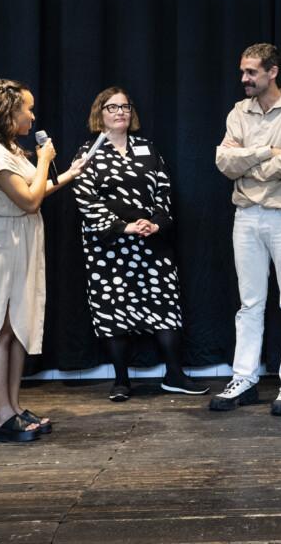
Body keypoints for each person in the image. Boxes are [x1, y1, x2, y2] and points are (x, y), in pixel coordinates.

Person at [72, 87, 208, 401]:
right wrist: (124, 227)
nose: (120, 112)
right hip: (109, 249)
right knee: (113, 311)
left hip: (151, 244)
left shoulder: (148, 148)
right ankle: (121, 380)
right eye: (112, 107)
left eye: (126, 107)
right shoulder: (87, 153)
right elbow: (85, 199)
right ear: (100, 113)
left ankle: (174, 374)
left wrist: (156, 222)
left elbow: (163, 190)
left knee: (165, 308)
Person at [0, 79, 84, 442]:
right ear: (7, 112)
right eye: (27, 109)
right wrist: (47, 159)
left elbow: (34, 191)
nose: (32, 116)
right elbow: (30, 201)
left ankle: (14, 407)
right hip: (1, 243)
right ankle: (2, 415)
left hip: (23, 238)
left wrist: (66, 174)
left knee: (18, 326)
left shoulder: (13, 150)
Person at [212, 43, 281, 414]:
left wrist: (248, 165)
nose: (244, 79)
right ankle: (244, 378)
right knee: (250, 302)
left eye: (251, 72)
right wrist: (264, 153)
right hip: (247, 216)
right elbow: (223, 161)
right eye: (243, 71)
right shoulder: (240, 111)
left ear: (272, 72)